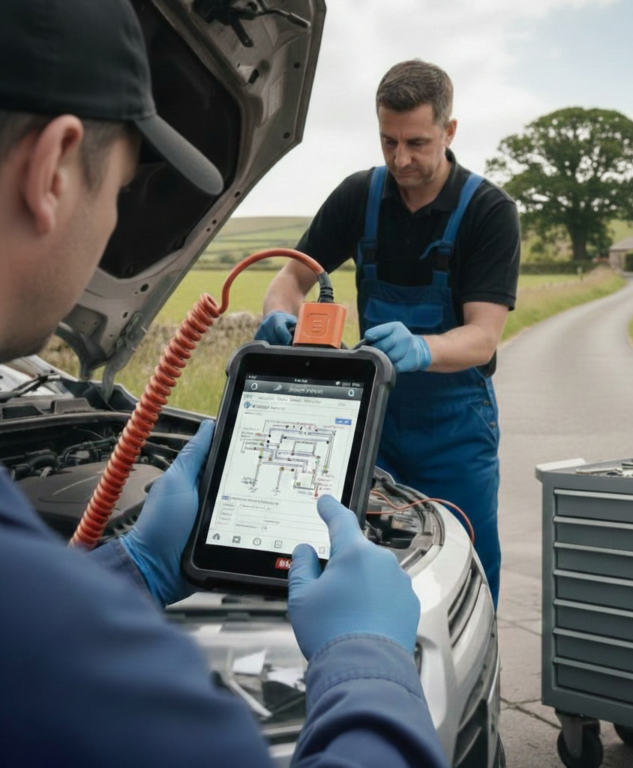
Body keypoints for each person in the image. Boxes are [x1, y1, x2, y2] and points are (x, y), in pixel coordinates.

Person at [0, 2, 448, 766]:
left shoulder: (486, 209)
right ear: (52, 170)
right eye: (121, 189)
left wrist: (128, 568)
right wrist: (369, 662)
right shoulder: (64, 649)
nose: (113, 223)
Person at [256, 60, 521, 608]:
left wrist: (423, 348)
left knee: (466, 570)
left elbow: (482, 337)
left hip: (455, 428)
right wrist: (281, 315)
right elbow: (290, 278)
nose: (401, 159)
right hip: (367, 418)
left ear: (449, 132)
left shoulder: (489, 212)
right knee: (356, 557)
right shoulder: (359, 197)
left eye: (417, 142)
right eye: (388, 141)